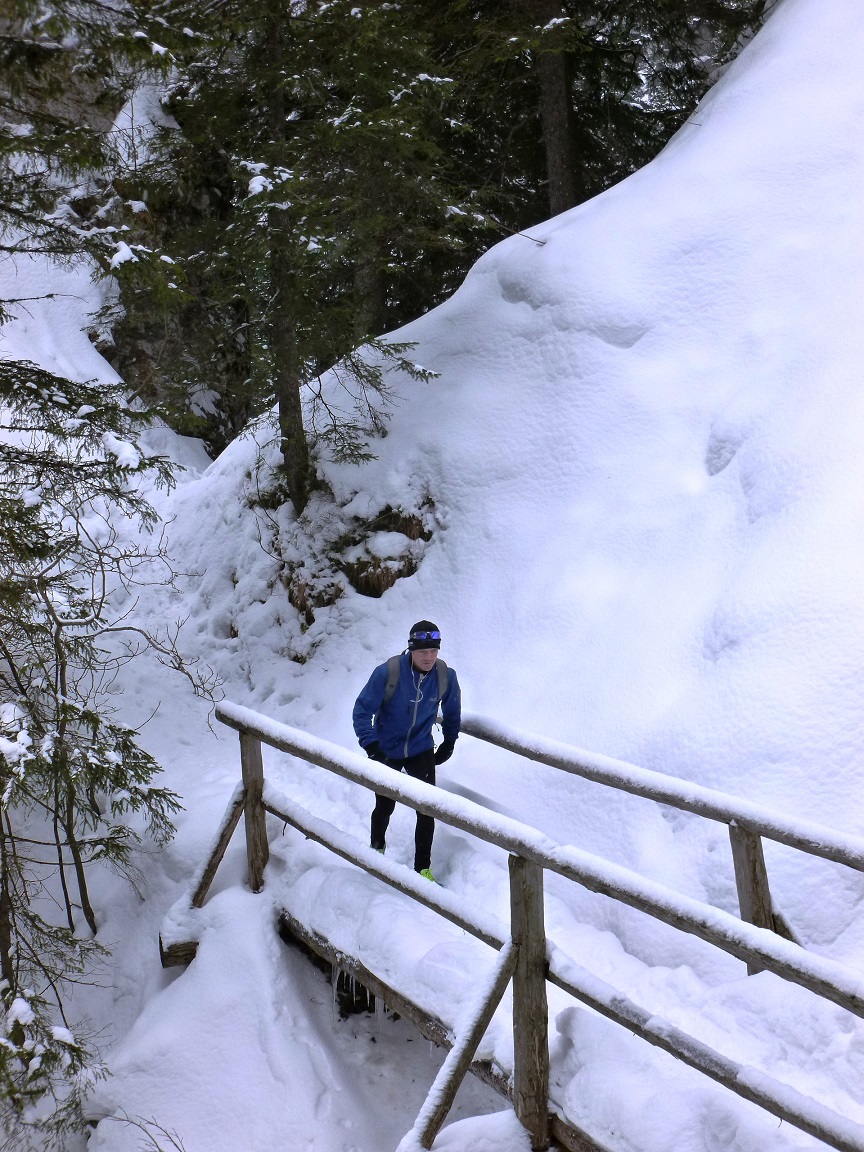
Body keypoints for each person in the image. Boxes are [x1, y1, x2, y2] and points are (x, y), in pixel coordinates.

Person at [352, 620, 461, 881]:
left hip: (421, 749)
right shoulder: (388, 673)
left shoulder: (445, 676)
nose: (429, 657)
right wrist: (371, 744)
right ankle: (376, 849)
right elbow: (361, 710)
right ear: (411, 649)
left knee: (426, 810)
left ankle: (422, 869)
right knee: (384, 805)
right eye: (423, 651)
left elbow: (453, 711)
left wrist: (449, 741)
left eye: (434, 651)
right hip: (386, 748)